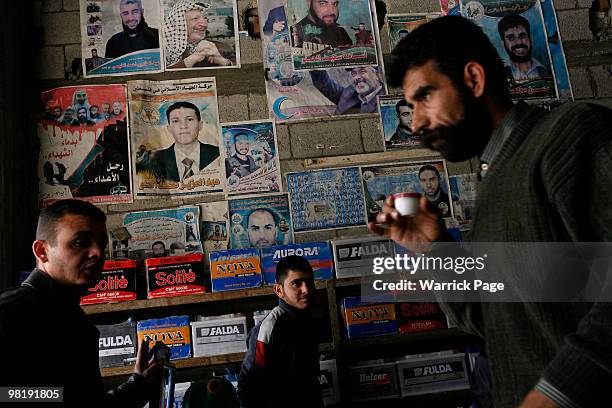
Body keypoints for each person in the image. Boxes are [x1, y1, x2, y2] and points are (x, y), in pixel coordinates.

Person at [369, 16, 612, 408]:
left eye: (425, 97)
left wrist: (557, 393)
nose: (415, 123)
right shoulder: (494, 176)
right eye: (409, 107)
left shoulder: (571, 133)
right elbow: (500, 323)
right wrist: (433, 247)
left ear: (474, 79)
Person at [0, 199, 162, 405]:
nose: (98, 253)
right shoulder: (9, 314)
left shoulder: (74, 319)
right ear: (42, 251)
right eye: (80, 242)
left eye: (101, 244)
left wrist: (137, 385)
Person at [238, 255, 323, 408]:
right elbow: (248, 385)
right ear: (279, 290)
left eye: (309, 282)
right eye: (296, 283)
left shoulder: (308, 319)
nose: (306, 289)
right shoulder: (269, 328)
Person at [152, 101, 219, 183]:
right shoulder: (156, 159)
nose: (183, 126)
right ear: (169, 128)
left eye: (190, 119)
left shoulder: (218, 154)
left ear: (200, 125)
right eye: (176, 121)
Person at [163, 0, 233, 69]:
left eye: (205, 18)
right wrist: (191, 60)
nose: (204, 24)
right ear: (179, 23)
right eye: (195, 18)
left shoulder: (213, 47)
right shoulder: (162, 49)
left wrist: (222, 61)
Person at [310, 66, 385, 114]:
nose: (357, 77)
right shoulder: (349, 93)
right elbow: (323, 84)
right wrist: (315, 63)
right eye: (353, 74)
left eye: (362, 72)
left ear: (377, 75)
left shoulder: (386, 99)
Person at [498, 14, 549, 82]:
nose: (519, 42)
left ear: (531, 39)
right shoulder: (497, 74)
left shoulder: (545, 70)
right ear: (503, 43)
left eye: (522, 36)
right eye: (511, 38)